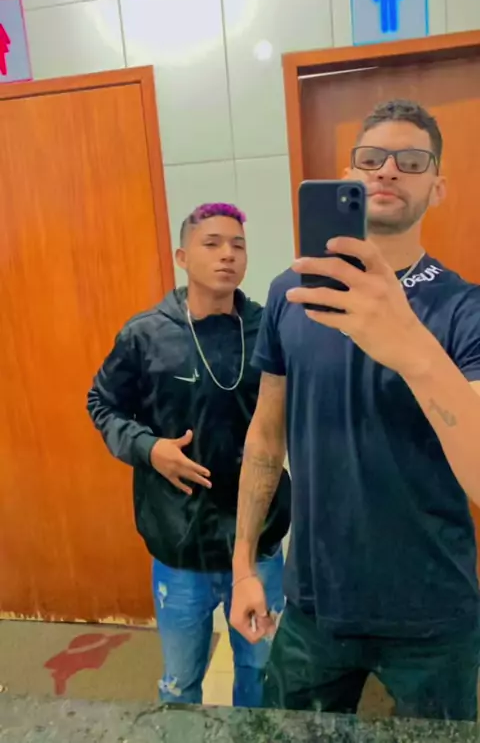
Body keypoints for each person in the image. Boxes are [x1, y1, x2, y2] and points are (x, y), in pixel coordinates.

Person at [230, 100, 480, 721]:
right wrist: (242, 566)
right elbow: (266, 437)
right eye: (372, 158)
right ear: (349, 176)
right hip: (315, 605)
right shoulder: (292, 293)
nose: (388, 170)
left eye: (412, 161)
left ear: (438, 186)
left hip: (433, 612)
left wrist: (411, 345)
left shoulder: (466, 310)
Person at [87, 202, 290, 708]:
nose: (228, 255)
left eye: (238, 245)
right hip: (179, 543)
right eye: (212, 243)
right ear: (182, 257)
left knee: (261, 673)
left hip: (259, 542)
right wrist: (149, 448)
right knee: (180, 681)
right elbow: (102, 403)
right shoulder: (145, 335)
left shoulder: (269, 330)